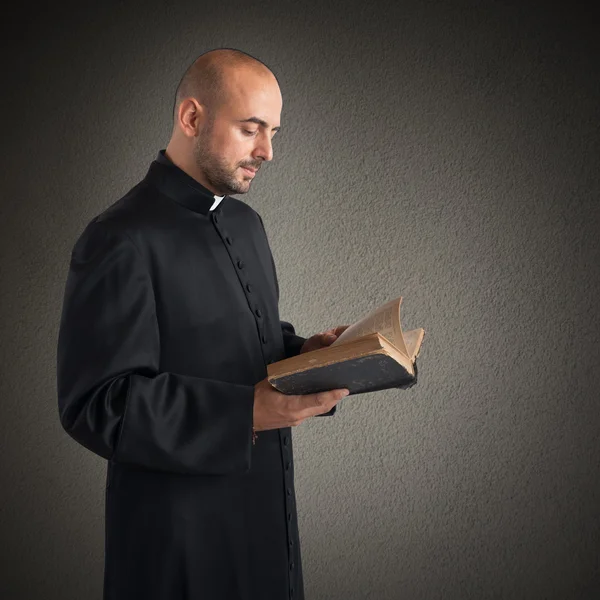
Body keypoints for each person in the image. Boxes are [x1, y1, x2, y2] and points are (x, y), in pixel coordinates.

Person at [56, 48, 350, 600]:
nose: (267, 151)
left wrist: (306, 353)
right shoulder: (117, 238)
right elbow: (96, 404)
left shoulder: (247, 223)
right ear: (192, 118)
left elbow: (237, 343)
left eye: (274, 132)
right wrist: (247, 410)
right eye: (250, 129)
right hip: (176, 544)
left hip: (268, 527)